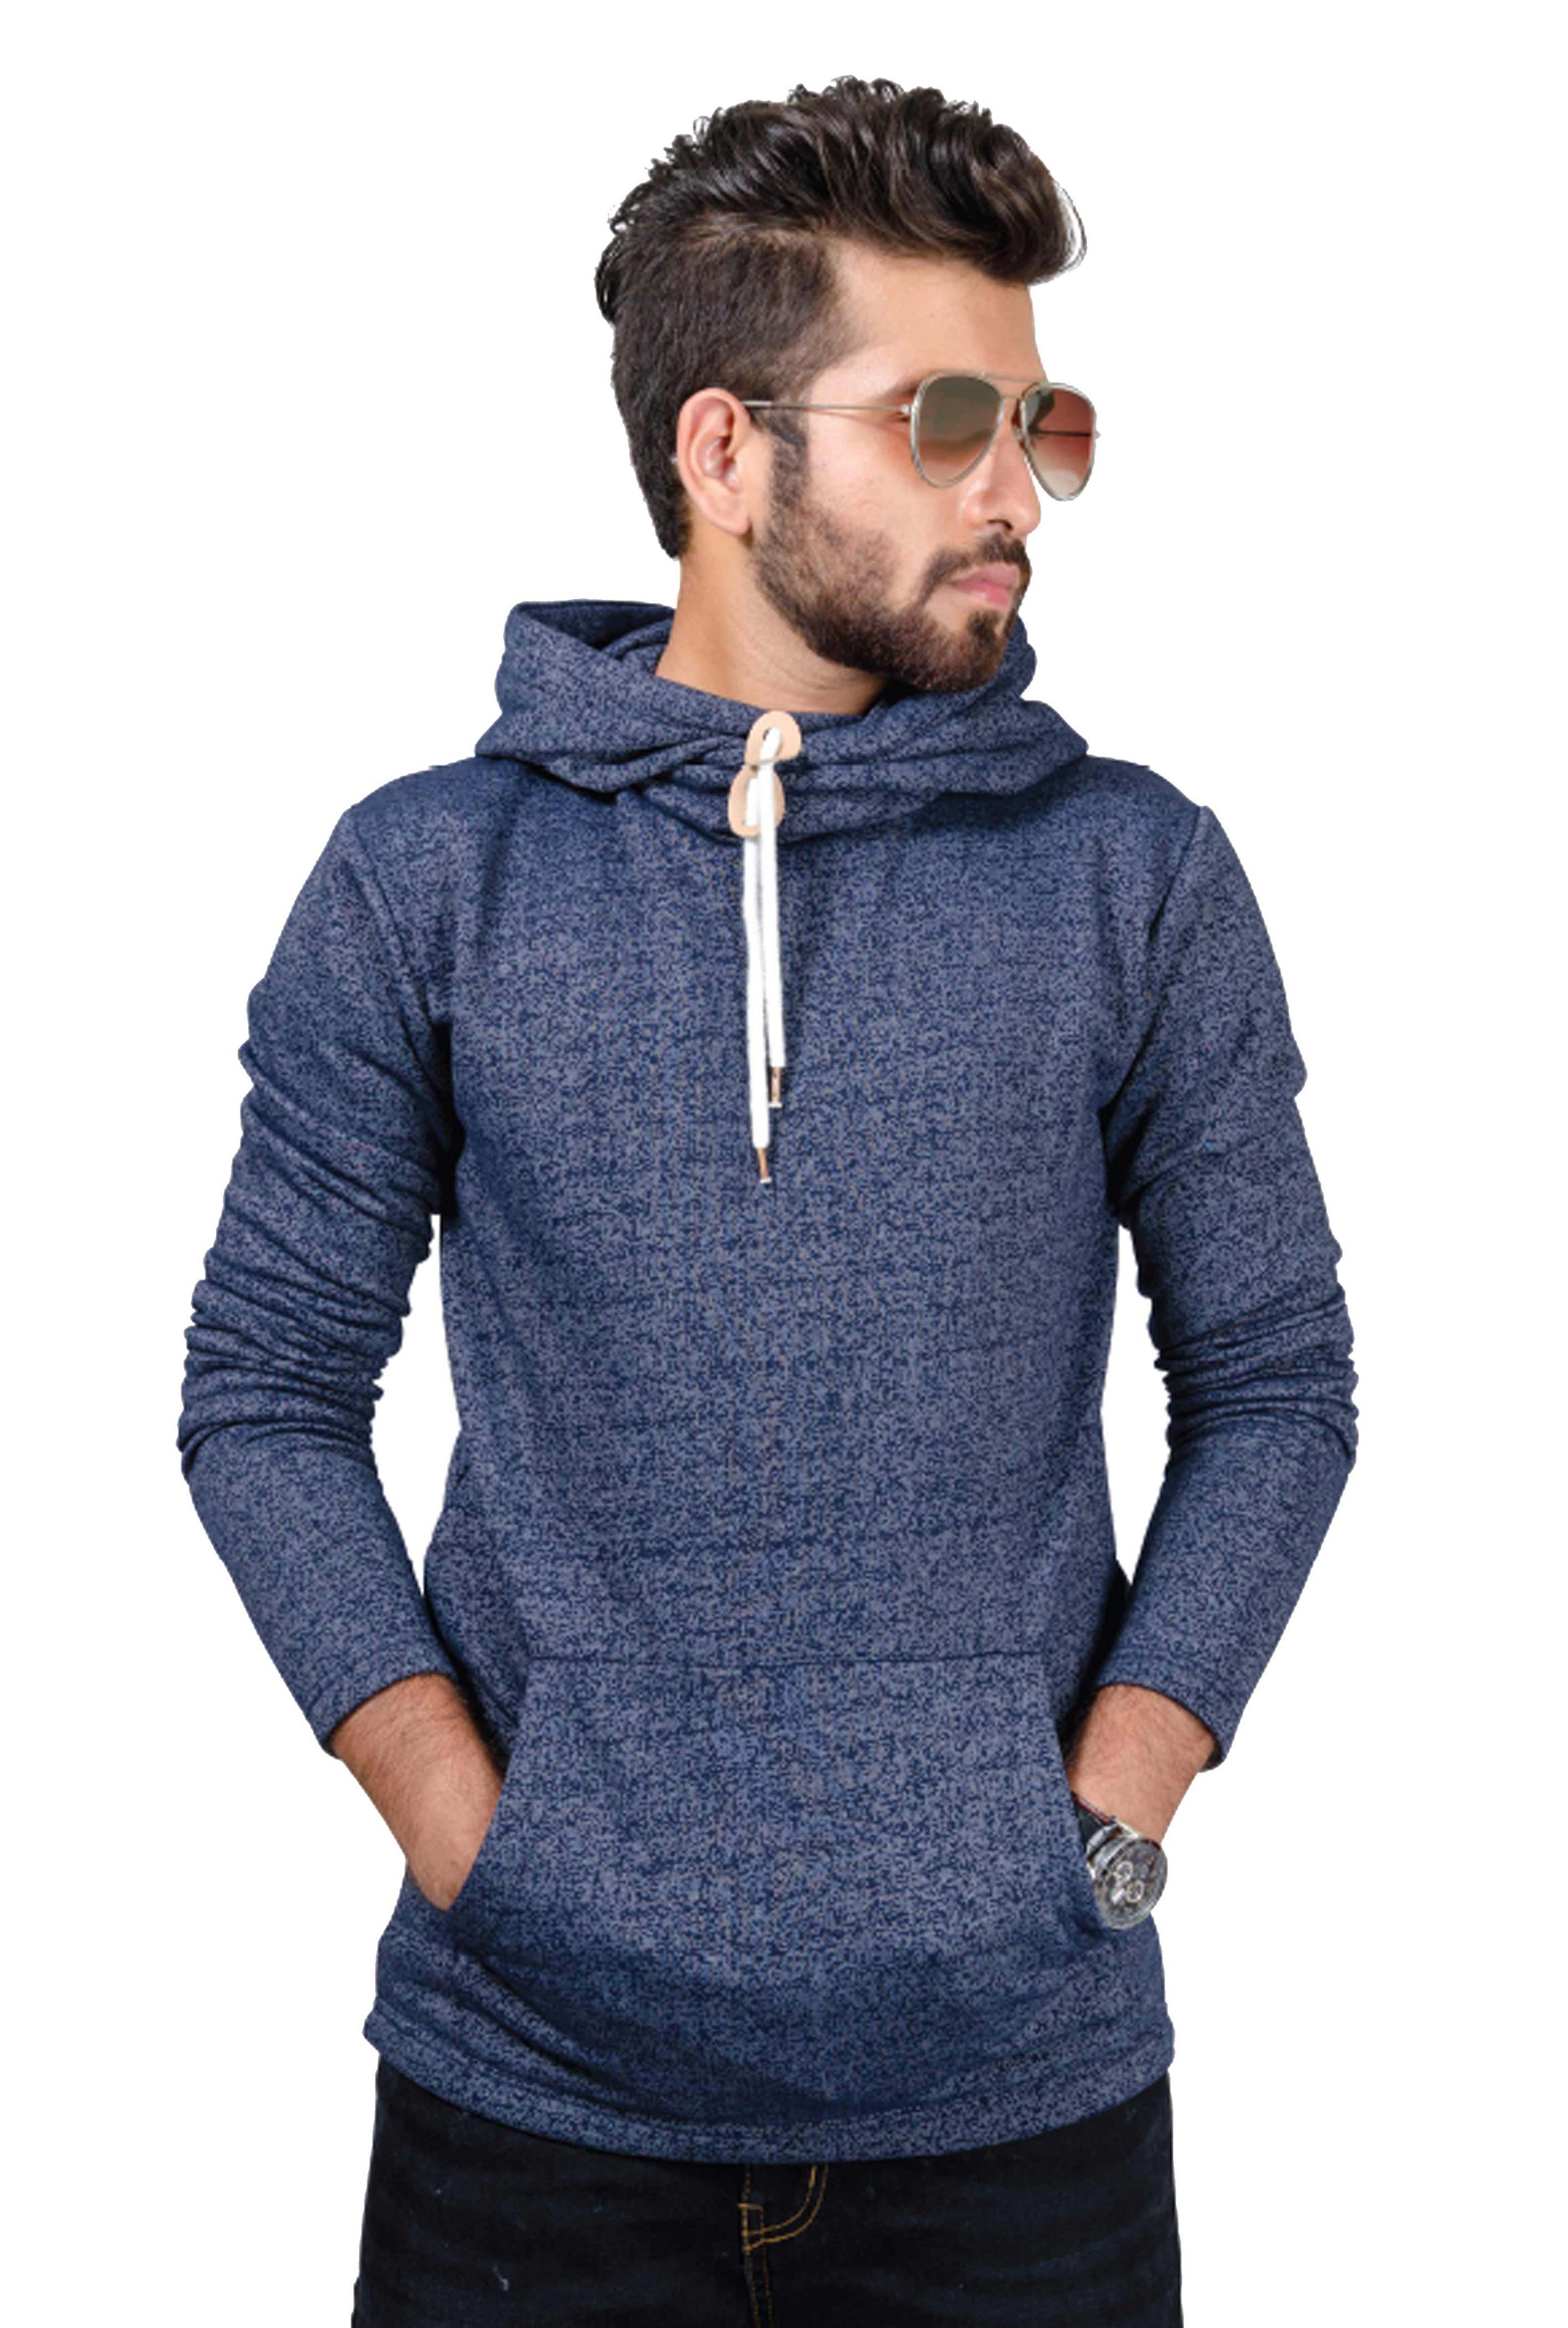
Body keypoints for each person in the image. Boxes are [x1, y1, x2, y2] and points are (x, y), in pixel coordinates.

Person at [176, 74, 1359, 2327]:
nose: (1017, 494)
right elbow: (262, 1396)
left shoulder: (1137, 877)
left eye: (1041, 423)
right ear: (721, 455)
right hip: (528, 2115)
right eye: (945, 423)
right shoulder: (429, 880)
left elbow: (1281, 1383)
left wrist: (1107, 1817)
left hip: (1019, 2116)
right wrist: (474, 1840)